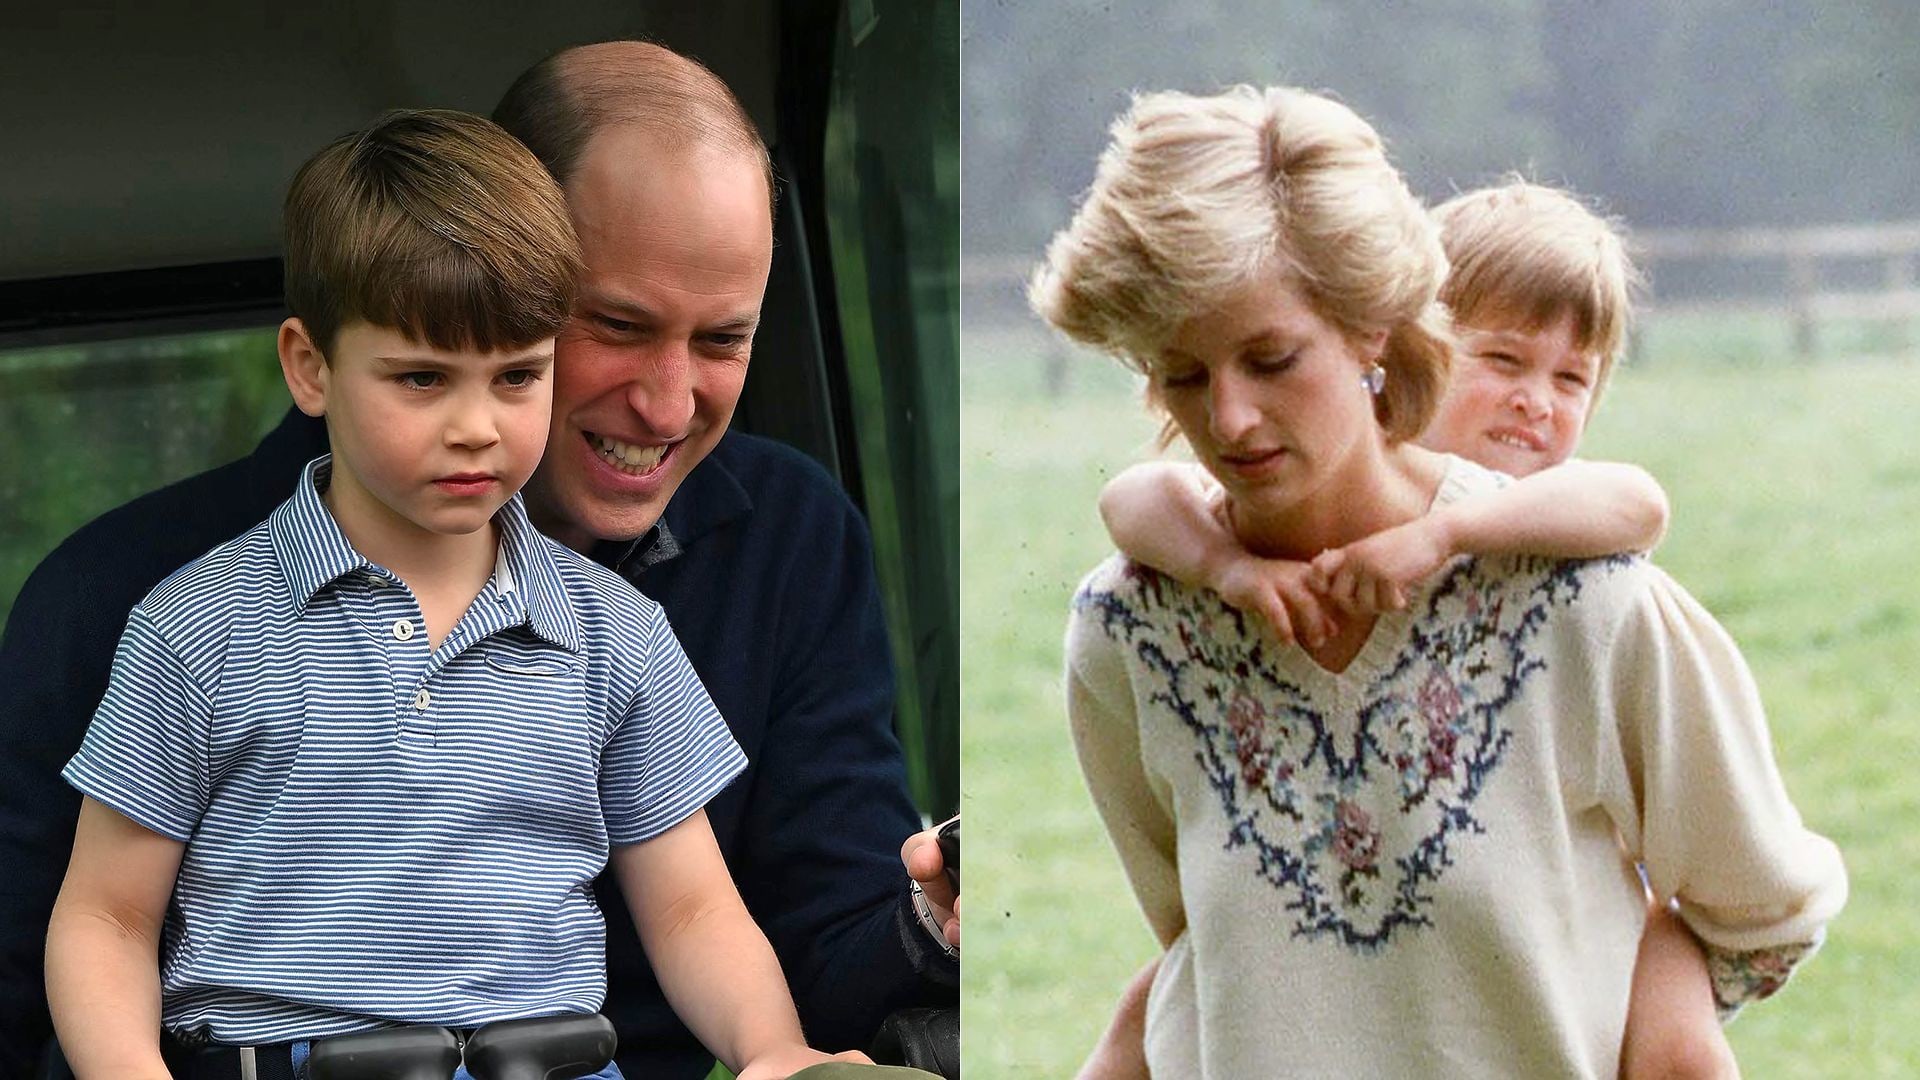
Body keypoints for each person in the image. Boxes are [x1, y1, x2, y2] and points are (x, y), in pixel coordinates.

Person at [0, 42, 955, 1080]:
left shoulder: (663, 611)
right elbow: (91, 929)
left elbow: (725, 922)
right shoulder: (165, 614)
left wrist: (817, 1022)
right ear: (311, 365)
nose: (670, 405)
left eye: (723, 340)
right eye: (619, 326)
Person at [1030, 84, 1845, 1077]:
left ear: (1374, 325)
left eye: (1272, 357)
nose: (1231, 419)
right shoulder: (1129, 633)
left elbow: (1765, 911)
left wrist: (1663, 991)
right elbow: (1195, 940)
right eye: (1183, 376)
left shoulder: (1585, 606)